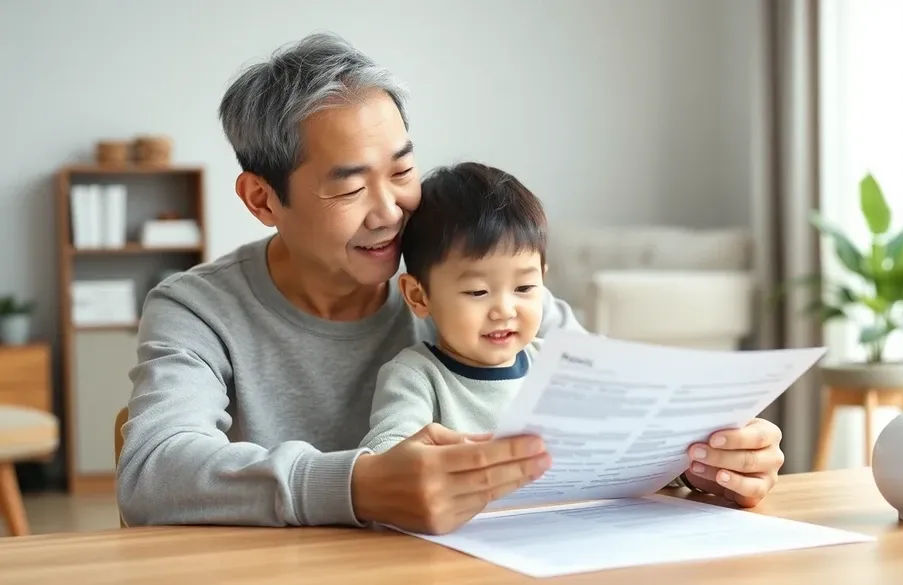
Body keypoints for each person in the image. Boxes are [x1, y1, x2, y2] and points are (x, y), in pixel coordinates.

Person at [116, 33, 786, 536]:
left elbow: (607, 419)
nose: (392, 209)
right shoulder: (197, 309)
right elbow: (153, 469)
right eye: (350, 184)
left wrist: (702, 460)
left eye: (402, 170)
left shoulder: (473, 284)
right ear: (262, 200)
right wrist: (359, 484)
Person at [359, 162, 548, 455]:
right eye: (478, 291)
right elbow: (386, 453)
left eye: (524, 288)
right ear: (419, 297)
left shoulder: (550, 364)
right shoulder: (416, 376)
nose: (504, 310)